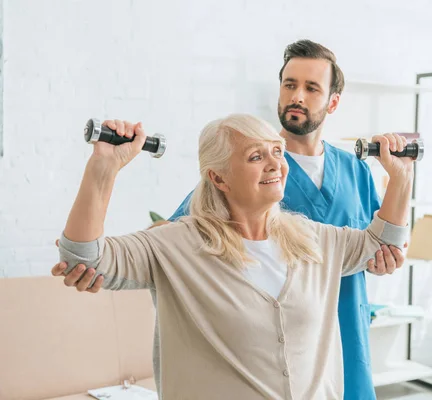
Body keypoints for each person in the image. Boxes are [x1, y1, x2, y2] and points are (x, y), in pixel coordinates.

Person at [52, 40, 408, 399]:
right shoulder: (183, 242)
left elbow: (382, 243)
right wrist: (105, 167)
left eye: (311, 87)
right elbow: (107, 255)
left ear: (333, 101)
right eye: (290, 84)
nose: (297, 95)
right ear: (219, 179)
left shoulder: (322, 224)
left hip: (334, 338)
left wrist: (402, 177)